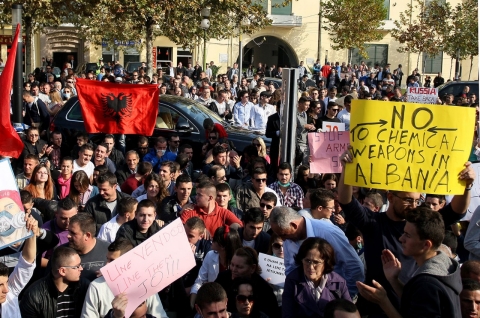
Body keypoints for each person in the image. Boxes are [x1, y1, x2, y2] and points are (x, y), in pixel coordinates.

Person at [338, 147, 474, 317]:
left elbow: (456, 211)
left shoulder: (423, 225)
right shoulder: (373, 223)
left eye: (418, 200)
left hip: (414, 304)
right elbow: (346, 201)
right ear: (391, 197)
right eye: (408, 200)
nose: (414, 206)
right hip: (376, 307)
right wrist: (347, 169)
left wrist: (466, 186)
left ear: (427, 243)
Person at [357, 208, 462, 318]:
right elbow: (415, 300)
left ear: (426, 245)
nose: (401, 238)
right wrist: (394, 280)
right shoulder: (445, 264)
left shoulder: (427, 284)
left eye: (407, 235)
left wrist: (383, 301)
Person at [269, 206, 364, 297]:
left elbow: (354, 266)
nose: (283, 239)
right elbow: (290, 268)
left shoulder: (328, 232)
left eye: (284, 234)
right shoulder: (288, 238)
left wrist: (345, 297)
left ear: (294, 225)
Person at [81, 238, 168, 318]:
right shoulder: (96, 286)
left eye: (112, 261)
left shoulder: (144, 283)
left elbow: (160, 315)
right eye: (107, 259)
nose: (106, 265)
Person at [283, 238, 351, 318]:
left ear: (326, 262)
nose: (311, 267)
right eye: (307, 261)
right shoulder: (292, 280)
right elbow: (287, 314)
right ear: (301, 260)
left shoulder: (339, 283)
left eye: (316, 262)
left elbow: (350, 313)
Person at [21, 246, 90, 318]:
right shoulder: (34, 295)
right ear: (62, 271)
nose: (81, 268)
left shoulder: (84, 287)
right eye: (77, 266)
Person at [215, 247, 280, 317]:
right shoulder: (223, 278)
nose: (233, 270)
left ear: (252, 268)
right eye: (232, 265)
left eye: (239, 267)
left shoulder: (264, 290)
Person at [190, 226, 242, 308]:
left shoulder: (238, 263)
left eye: (214, 240)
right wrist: (192, 303)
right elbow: (200, 281)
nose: (211, 241)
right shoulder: (210, 255)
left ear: (222, 246)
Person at [0, 213, 37, 318]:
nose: (6, 290)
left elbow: (26, 263)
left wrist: (31, 233)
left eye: (6, 282)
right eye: (0, 285)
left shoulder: (10, 294)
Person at [65, 213, 110, 282]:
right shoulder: (61, 254)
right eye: (69, 232)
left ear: (87, 235)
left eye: (73, 233)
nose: (68, 236)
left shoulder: (109, 251)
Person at [41, 197, 78, 262]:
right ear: (56, 214)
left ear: (77, 213)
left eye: (72, 218)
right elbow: (36, 260)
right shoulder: (45, 230)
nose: (68, 222)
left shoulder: (82, 227)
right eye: (63, 218)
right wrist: (58, 265)